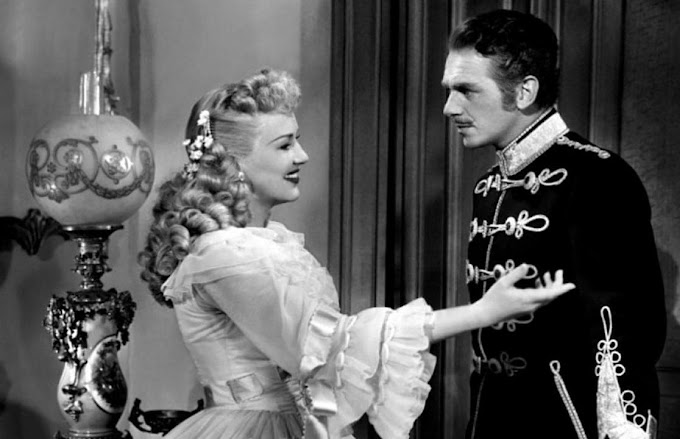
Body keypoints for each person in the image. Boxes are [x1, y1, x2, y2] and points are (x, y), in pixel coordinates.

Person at [138, 68, 575, 439]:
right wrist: (482, 312)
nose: (303, 155)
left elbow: (321, 366)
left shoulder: (267, 242)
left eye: (297, 140)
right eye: (285, 145)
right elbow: (335, 346)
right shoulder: (226, 255)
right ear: (233, 164)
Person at [441, 10, 667, 439]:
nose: (450, 108)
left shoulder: (597, 177)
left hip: (566, 421)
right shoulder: (488, 186)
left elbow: (621, 334)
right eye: (449, 91)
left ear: (525, 91)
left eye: (466, 90)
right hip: (491, 418)